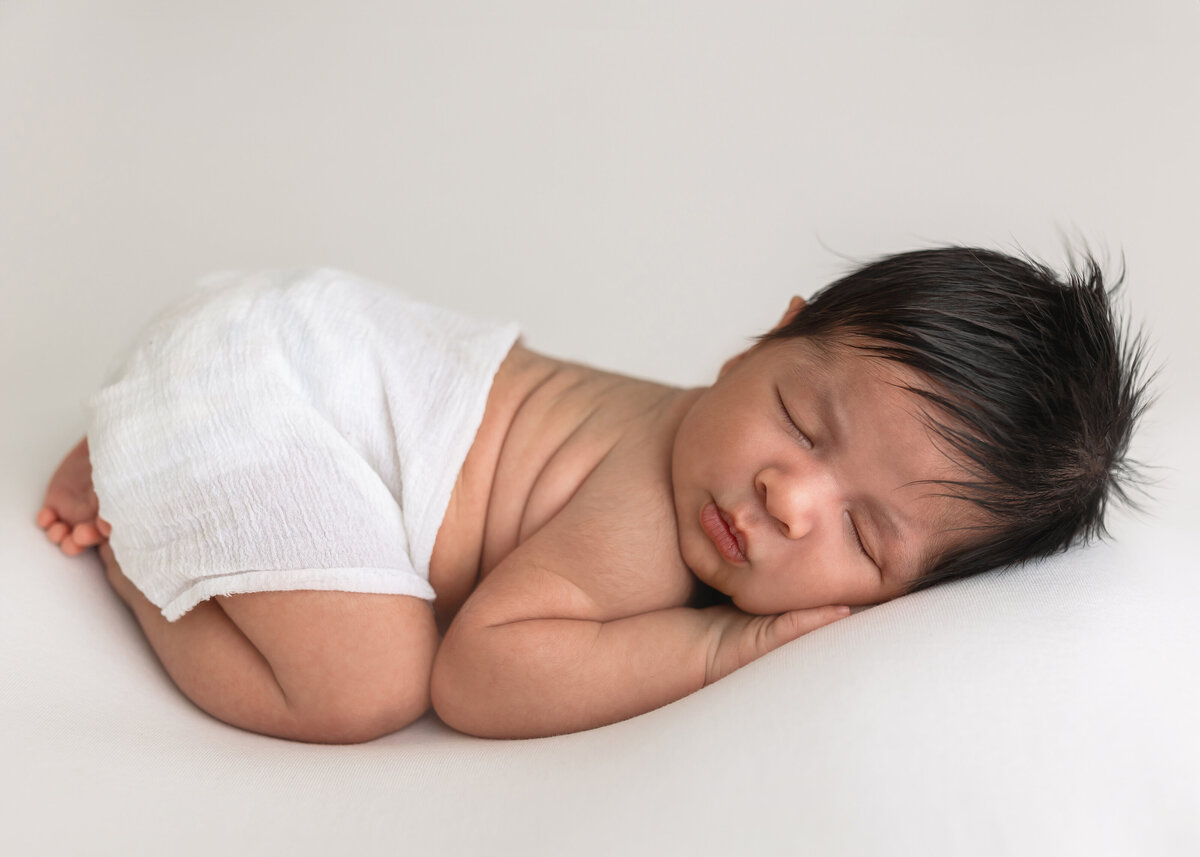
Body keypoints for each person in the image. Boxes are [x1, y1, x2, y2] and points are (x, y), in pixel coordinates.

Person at [35, 246, 1148, 743]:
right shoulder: (653, 508)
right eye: (803, 423)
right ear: (772, 330)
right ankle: (143, 519)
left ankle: (163, 437)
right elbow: (476, 673)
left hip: (291, 338)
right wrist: (714, 650)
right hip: (276, 379)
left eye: (862, 531)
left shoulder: (728, 475)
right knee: (364, 686)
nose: (788, 494)